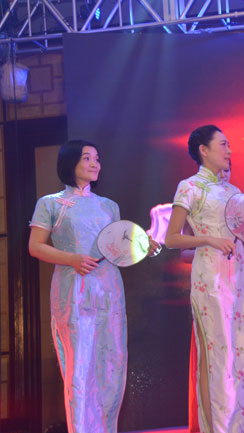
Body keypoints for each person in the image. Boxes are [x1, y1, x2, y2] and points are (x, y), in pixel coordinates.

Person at [28, 140, 159, 433]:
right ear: (70, 162)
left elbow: (116, 250)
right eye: (87, 158)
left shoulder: (109, 206)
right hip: (74, 292)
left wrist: (142, 246)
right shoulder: (51, 203)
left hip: (109, 291)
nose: (94, 163)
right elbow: (35, 246)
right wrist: (71, 259)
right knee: (80, 367)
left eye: (97, 158)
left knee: (112, 364)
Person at [165, 125, 244, 433]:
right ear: (204, 150)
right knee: (219, 353)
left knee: (240, 351)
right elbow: (172, 238)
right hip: (211, 278)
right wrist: (208, 239)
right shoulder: (189, 187)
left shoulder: (233, 191)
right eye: (223, 144)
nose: (229, 150)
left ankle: (243, 427)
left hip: (239, 275)